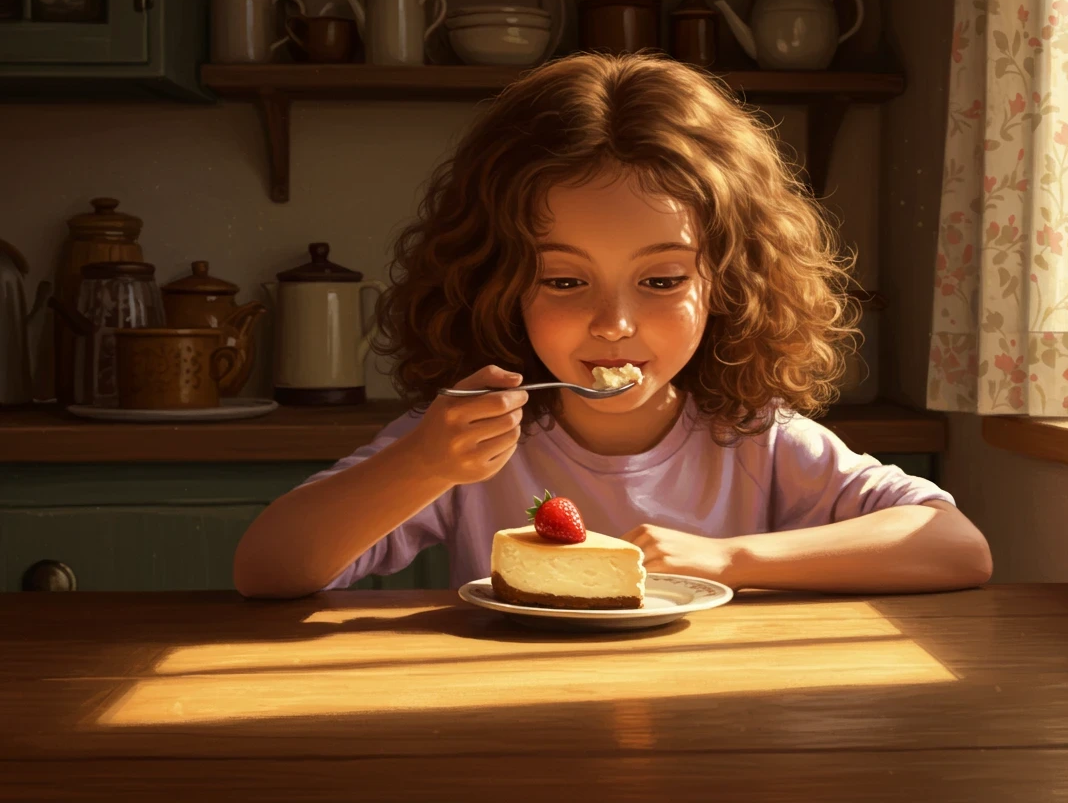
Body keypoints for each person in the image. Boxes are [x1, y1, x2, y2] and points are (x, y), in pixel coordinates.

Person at [233, 51, 993, 600]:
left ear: (725, 284)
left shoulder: (754, 439)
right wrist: (425, 464)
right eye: (565, 280)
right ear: (498, 286)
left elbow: (956, 546)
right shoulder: (466, 442)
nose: (615, 323)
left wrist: (728, 559)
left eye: (661, 280)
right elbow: (266, 570)